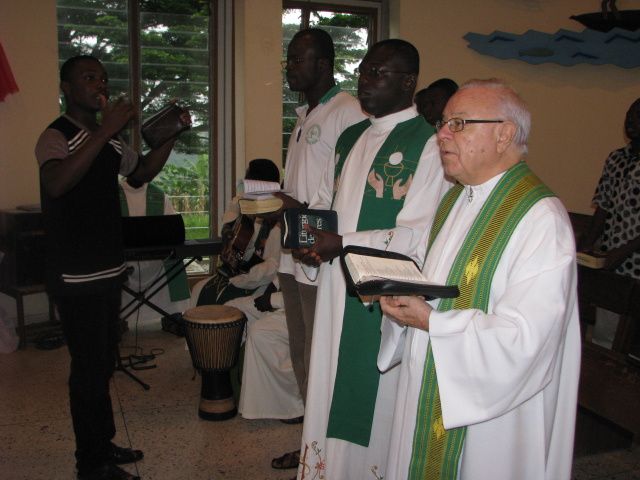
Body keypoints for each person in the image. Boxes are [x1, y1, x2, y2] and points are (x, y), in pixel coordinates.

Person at [378, 79, 581, 480]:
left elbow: (526, 339)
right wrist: (402, 291)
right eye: (443, 123)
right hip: (431, 381)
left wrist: (432, 321)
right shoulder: (456, 196)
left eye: (458, 123)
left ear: (504, 134)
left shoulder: (540, 219)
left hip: (493, 416)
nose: (442, 134)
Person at [294, 39, 451, 479]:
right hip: (334, 287)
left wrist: (340, 241)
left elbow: (416, 234)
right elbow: (323, 202)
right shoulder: (350, 137)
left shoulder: (429, 144)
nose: (365, 80)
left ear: (408, 82)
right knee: (327, 378)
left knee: (372, 397)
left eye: (378, 73)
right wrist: (307, 239)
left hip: (380, 293)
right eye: (363, 70)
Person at [35, 55, 190, 480]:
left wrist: (170, 136)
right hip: (74, 274)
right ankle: (90, 464)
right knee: (87, 370)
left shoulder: (114, 144)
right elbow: (56, 183)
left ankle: (102, 444)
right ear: (66, 87)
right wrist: (105, 131)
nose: (99, 84)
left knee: (103, 364)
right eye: (88, 77)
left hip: (107, 270)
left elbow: (140, 175)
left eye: (102, 77)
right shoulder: (56, 135)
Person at [271, 27, 366, 471]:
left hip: (317, 253)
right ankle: (311, 443)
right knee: (300, 353)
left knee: (318, 355)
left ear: (323, 64)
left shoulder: (347, 111)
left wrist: (299, 211)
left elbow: (347, 190)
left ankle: (325, 450)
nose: (290, 67)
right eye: (290, 59)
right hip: (292, 253)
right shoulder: (306, 113)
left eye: (297, 59)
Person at [578, 97, 640, 351]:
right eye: (629, 115)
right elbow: (602, 208)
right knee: (606, 334)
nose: (631, 121)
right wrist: (585, 248)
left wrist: (622, 252)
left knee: (632, 341)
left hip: (634, 263)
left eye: (638, 117)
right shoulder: (617, 158)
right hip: (609, 262)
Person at [190, 158, 282, 307]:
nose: (245, 181)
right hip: (239, 272)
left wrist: (243, 277)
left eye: (248, 177)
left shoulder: (277, 223)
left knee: (230, 303)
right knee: (198, 289)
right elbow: (232, 213)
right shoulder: (244, 200)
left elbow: (272, 267)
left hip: (260, 282)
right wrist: (227, 231)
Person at [118, 177, 190, 323]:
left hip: (155, 260)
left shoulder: (157, 195)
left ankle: (172, 314)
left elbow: (170, 228)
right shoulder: (113, 194)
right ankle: (119, 318)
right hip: (123, 260)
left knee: (174, 264)